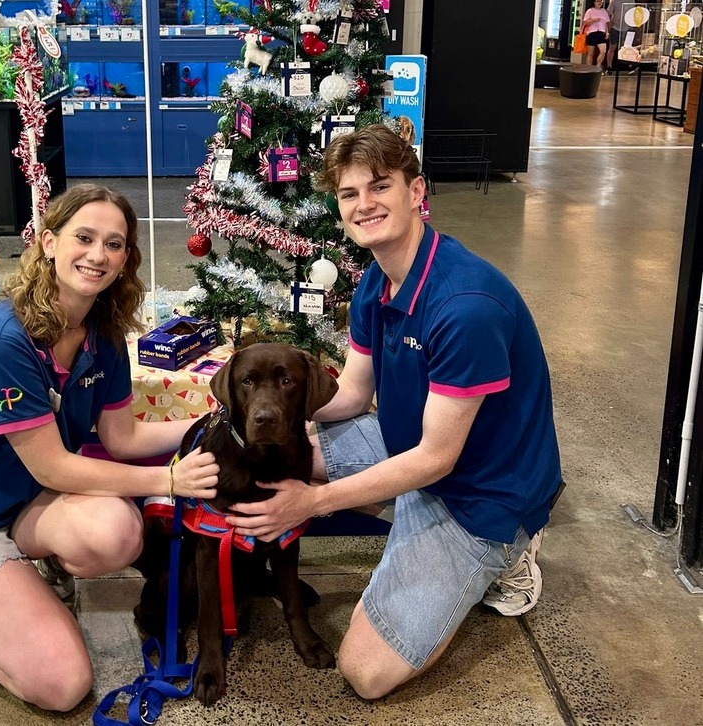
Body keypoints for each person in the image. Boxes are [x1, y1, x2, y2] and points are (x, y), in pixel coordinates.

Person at [225, 124, 562, 700]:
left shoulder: (465, 306)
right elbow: (353, 396)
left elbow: (436, 459)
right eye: (349, 193)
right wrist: (271, 418)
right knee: (284, 456)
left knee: (365, 672)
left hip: (480, 495)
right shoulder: (377, 281)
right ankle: (407, 516)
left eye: (380, 186)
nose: (365, 204)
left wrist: (316, 501)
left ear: (416, 191)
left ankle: (508, 552)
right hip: (409, 444)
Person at [0, 184, 218, 712]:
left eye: (114, 244)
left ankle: (23, 571)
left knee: (118, 532)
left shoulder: (103, 334)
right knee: (64, 686)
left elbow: (122, 439)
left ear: (126, 259)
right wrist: (169, 481)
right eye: (84, 238)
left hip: (19, 502)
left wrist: (213, 420)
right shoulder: (5, 339)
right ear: (49, 242)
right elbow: (56, 468)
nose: (98, 255)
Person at [606, 0, 634, 72]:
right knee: (612, 47)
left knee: (627, 48)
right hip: (615, 27)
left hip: (627, 27)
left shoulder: (631, 1)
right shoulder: (615, 1)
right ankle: (609, 66)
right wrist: (609, 24)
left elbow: (633, 13)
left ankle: (627, 66)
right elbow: (608, 13)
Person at [581, 0, 610, 69]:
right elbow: (585, 22)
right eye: (598, 1)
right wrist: (593, 20)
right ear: (594, 2)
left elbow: (606, 23)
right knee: (590, 53)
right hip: (591, 33)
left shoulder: (604, 11)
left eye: (601, 1)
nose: (599, 3)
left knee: (603, 51)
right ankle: (589, 69)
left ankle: (598, 66)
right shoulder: (590, 11)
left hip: (601, 33)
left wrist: (607, 32)